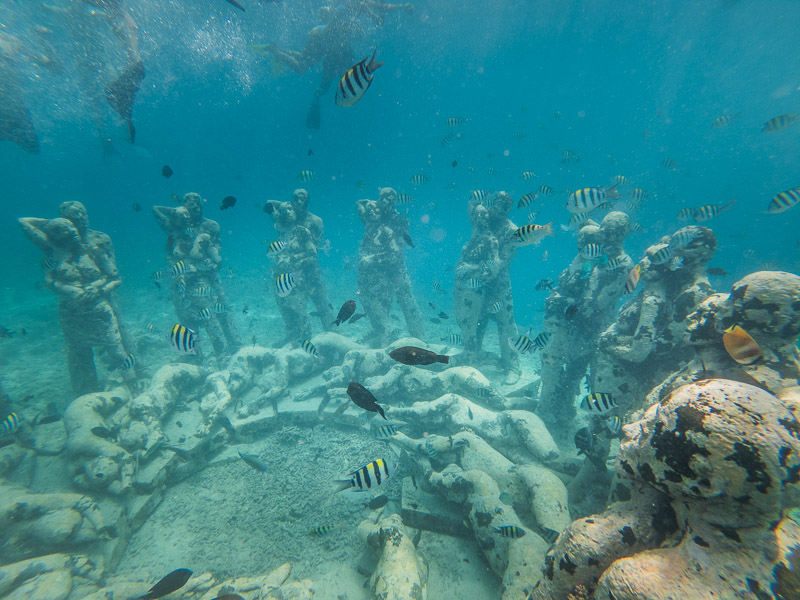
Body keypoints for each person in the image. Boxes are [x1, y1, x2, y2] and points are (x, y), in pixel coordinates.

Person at [19, 208, 136, 395]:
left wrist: (97, 288)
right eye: (69, 224)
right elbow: (24, 222)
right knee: (78, 355)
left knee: (117, 347)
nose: (76, 225)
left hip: (100, 308)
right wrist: (53, 224)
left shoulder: (96, 245)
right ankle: (86, 395)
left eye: (82, 214)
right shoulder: (53, 252)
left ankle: (133, 383)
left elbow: (114, 276)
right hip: (71, 313)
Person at [261, 0, 413, 128]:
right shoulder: (353, 4)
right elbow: (375, 7)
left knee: (325, 82)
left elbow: (376, 11)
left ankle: (279, 51)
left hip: (335, 51)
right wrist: (400, 8)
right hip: (320, 39)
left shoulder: (358, 9)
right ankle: (275, 51)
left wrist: (385, 14)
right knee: (302, 66)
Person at [44, 0, 142, 154]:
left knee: (114, 95)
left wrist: (130, 51)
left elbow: (118, 22)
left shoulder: (85, 14)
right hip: (85, 66)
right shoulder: (71, 15)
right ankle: (106, 141)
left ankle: (125, 126)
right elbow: (47, 10)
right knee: (97, 102)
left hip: (99, 63)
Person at [153, 193, 242, 360]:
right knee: (185, 315)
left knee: (217, 311)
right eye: (189, 204)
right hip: (180, 278)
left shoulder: (210, 226)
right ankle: (194, 356)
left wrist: (206, 266)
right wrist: (176, 212)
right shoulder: (174, 225)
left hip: (205, 276)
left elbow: (217, 255)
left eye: (197, 203)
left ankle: (229, 349)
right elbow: (155, 210)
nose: (194, 206)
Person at [452, 192, 521, 384]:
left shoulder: (512, 231)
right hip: (478, 283)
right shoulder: (484, 220)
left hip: (499, 283)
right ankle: (474, 359)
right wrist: (474, 198)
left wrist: (483, 271)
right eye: (497, 203)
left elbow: (505, 259)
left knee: (506, 322)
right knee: (478, 320)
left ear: (508, 209)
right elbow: (472, 208)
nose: (498, 208)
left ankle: (512, 366)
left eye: (504, 205)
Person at [264, 189, 336, 342]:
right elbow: (269, 204)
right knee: (292, 307)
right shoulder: (285, 217)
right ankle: (297, 338)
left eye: (302, 199)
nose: (298, 202)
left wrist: (294, 258)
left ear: (307, 202)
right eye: (295, 199)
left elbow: (315, 248)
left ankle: (334, 337)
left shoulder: (315, 221)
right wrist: (286, 205)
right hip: (292, 273)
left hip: (310, 270)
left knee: (322, 303)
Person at [356, 187, 424, 346]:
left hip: (397, 270)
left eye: (391, 197)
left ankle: (420, 340)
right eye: (383, 197)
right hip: (375, 273)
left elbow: (397, 247)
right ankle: (383, 337)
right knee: (376, 305)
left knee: (408, 304)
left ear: (395, 200)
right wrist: (366, 203)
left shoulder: (398, 219)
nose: (387, 200)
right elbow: (359, 205)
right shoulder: (371, 218)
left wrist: (373, 259)